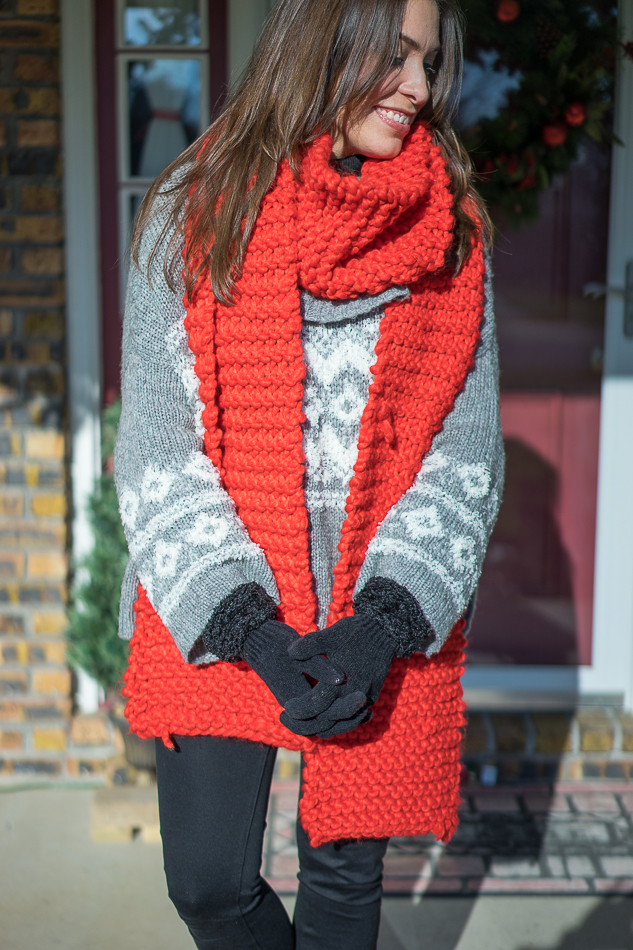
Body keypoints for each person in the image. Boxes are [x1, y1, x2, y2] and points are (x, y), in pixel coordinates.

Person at [114, 0, 504, 947]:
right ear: (325, 44)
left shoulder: (447, 237)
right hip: (223, 610)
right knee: (207, 883)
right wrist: (247, 628)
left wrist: (381, 629)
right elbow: (159, 446)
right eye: (398, 57)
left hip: (371, 616)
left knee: (342, 885)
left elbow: (466, 455)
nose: (419, 87)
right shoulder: (194, 213)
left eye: (430, 63)